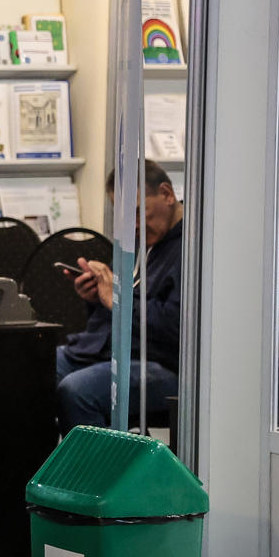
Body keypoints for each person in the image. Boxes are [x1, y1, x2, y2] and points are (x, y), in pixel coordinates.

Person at [55, 160, 183, 431]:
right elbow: (111, 311)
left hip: (163, 363)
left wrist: (118, 301)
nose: (133, 225)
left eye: (138, 212)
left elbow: (175, 326)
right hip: (106, 349)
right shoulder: (136, 242)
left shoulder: (193, 247)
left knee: (77, 390)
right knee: (31, 369)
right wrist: (95, 297)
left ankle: (102, 462)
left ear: (167, 194)